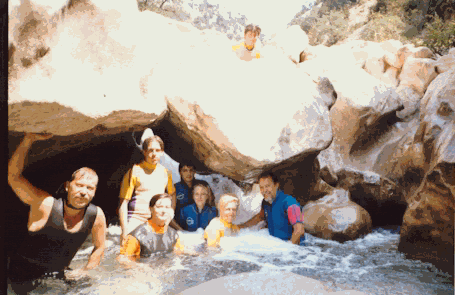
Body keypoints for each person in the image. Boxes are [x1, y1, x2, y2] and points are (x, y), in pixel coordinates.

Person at [7, 133, 107, 294]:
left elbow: (100, 246)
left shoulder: (96, 215)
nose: (83, 192)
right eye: (79, 185)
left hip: (58, 277)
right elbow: (14, 177)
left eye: (90, 188)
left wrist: (86, 269)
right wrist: (28, 140)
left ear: (95, 192)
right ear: (68, 186)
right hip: (23, 277)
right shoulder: (45, 204)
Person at [118, 134, 177, 245]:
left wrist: (170, 214)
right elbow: (123, 202)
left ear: (162, 152)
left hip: (157, 219)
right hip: (136, 219)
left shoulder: (166, 172)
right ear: (144, 152)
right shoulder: (134, 171)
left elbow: (172, 194)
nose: (154, 154)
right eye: (150, 150)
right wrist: (124, 231)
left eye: (157, 150)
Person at [117, 193, 187, 265]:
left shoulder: (174, 235)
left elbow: (180, 253)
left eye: (167, 207)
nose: (163, 211)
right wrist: (141, 267)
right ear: (150, 209)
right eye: (159, 207)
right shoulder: (136, 236)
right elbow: (122, 259)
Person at [238, 172, 305, 245]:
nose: (264, 190)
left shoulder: (290, 202)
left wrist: (288, 250)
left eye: (267, 186)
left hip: (293, 248)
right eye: (261, 187)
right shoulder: (265, 202)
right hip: (275, 245)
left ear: (276, 185)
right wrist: (240, 227)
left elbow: (299, 230)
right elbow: (260, 217)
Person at [174, 161, 210, 226]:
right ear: (180, 172)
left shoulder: (203, 184)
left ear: (194, 172)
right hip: (181, 224)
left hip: (202, 222)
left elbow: (211, 203)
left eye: (191, 170)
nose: (189, 173)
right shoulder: (176, 188)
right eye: (185, 170)